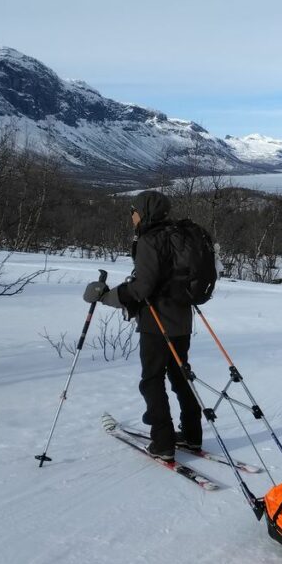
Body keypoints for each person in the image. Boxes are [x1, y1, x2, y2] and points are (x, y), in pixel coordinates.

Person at [83, 190, 202, 461]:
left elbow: (142, 287)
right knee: (180, 376)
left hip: (157, 322)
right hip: (182, 320)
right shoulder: (178, 235)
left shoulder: (151, 239)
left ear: (144, 212)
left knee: (152, 380)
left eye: (133, 211)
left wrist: (107, 297)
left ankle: (163, 442)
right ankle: (192, 435)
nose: (132, 216)